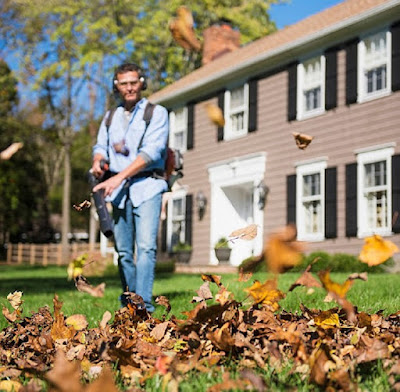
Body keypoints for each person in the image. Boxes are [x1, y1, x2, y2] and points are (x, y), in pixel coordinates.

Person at [91, 63, 169, 312]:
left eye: (133, 82)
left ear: (142, 82)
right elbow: (100, 147)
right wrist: (98, 161)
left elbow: (152, 152)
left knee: (146, 247)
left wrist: (118, 177)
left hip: (149, 185)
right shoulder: (110, 117)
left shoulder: (157, 113)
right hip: (120, 193)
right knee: (124, 252)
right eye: (124, 83)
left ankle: (144, 306)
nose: (129, 87)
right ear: (117, 86)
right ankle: (129, 302)